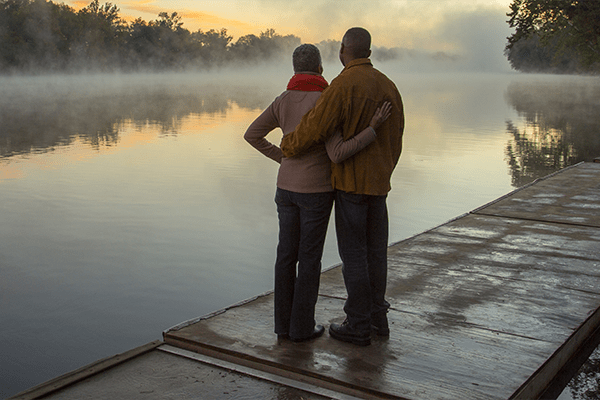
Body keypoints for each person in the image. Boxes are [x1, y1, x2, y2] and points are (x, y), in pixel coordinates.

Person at [244, 43, 391, 343]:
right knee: (309, 259)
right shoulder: (327, 101)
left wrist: (282, 158)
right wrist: (372, 130)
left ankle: (282, 327)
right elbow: (338, 152)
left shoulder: (283, 100)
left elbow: (252, 135)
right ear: (321, 68)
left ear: (295, 69)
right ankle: (302, 328)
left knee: (285, 256)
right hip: (317, 192)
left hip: (285, 189)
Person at [281, 28, 405, 346]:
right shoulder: (389, 86)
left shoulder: (343, 85)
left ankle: (358, 324)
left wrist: (289, 146)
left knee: (354, 256)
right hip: (379, 184)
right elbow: (397, 137)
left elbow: (315, 126)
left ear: (342, 51)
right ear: (369, 51)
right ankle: (379, 319)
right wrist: (385, 170)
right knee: (377, 254)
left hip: (351, 184)